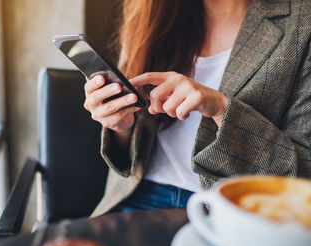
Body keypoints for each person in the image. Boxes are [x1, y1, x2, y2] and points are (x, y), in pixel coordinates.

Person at [84, 0, 311, 216]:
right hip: (134, 196)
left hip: (230, 212)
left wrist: (221, 109)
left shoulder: (301, 22)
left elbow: (303, 174)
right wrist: (120, 126)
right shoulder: (151, 15)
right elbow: (129, 153)